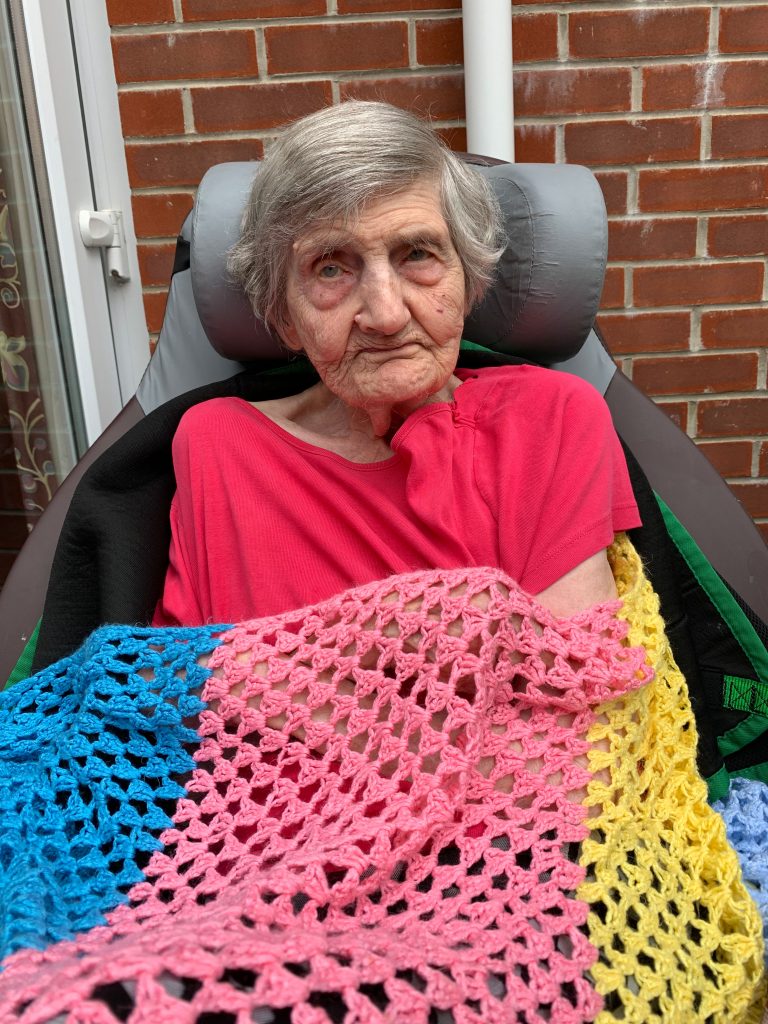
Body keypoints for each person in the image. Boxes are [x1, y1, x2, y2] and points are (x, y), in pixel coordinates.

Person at [153, 100, 641, 629]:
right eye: (331, 268)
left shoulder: (552, 418)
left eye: (417, 255)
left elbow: (577, 670)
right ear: (284, 317)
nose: (386, 316)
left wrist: (322, 650)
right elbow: (181, 673)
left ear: (468, 284)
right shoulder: (219, 445)